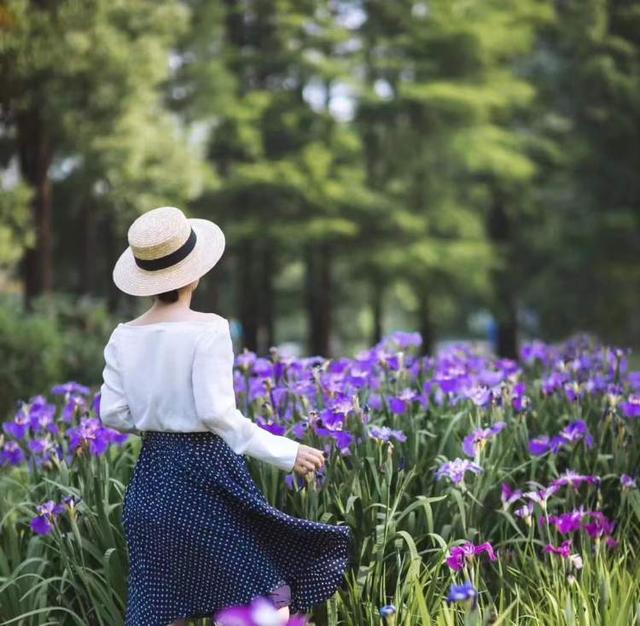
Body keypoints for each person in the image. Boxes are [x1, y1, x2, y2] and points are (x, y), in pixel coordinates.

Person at [99, 206, 354, 626]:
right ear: (194, 274)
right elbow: (217, 413)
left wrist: (157, 418)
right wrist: (286, 452)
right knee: (267, 604)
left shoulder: (123, 337)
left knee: (166, 611)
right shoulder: (209, 329)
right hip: (205, 480)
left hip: (150, 486)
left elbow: (112, 413)